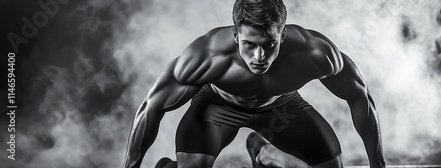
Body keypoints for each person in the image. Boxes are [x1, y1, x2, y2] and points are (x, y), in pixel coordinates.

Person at [123, 0, 385, 167]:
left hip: (280, 107)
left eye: (269, 44)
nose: (259, 57)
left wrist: (378, 165)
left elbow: (360, 97)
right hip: (218, 106)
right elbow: (151, 108)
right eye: (249, 44)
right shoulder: (207, 56)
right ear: (236, 34)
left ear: (282, 34)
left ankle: (263, 153)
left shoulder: (314, 53)